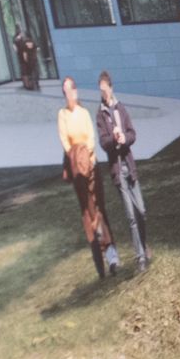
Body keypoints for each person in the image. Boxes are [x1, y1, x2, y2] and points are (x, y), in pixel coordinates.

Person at [58, 76, 118, 277]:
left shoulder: (83, 113)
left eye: (71, 89)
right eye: (65, 90)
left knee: (100, 208)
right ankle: (99, 261)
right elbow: (65, 142)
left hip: (90, 165)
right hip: (77, 169)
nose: (69, 94)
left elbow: (91, 138)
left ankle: (111, 254)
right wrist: (77, 158)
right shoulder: (62, 115)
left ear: (75, 91)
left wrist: (88, 157)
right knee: (88, 213)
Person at [95, 70, 150, 270]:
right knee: (131, 216)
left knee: (141, 211)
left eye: (105, 90)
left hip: (129, 165)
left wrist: (124, 138)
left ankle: (144, 246)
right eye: (100, 91)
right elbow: (103, 142)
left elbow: (132, 133)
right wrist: (113, 139)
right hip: (117, 171)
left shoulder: (121, 108)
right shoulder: (100, 115)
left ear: (111, 88)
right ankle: (140, 258)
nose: (104, 94)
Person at [14, 26, 41, 91]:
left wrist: (26, 60)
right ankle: (36, 84)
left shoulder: (24, 43)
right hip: (34, 59)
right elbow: (38, 48)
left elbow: (24, 53)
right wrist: (34, 53)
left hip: (28, 60)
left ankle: (29, 85)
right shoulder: (33, 41)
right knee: (35, 71)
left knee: (28, 72)